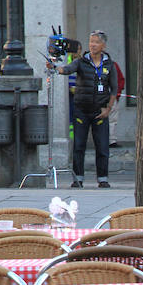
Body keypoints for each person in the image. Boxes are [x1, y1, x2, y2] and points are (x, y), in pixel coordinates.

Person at [50, 30, 118, 188]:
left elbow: (114, 89)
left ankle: (103, 179)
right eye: (91, 41)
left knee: (102, 146)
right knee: (79, 145)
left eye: (96, 42)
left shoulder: (109, 64)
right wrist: (55, 68)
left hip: (100, 111)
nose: (92, 45)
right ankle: (78, 178)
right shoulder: (81, 61)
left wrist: (108, 109)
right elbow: (66, 69)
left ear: (103, 45)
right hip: (81, 109)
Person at [108, 61, 125, 148]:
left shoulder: (113, 65)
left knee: (112, 119)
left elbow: (120, 80)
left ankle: (111, 140)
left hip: (111, 96)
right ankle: (107, 140)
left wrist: (116, 93)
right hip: (96, 98)